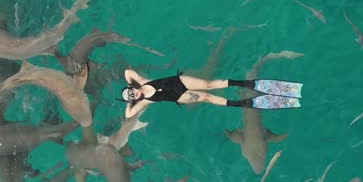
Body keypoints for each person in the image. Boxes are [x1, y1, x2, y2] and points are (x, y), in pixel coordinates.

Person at [120, 69, 302, 118]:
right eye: (130, 98)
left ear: (131, 88)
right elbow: (129, 114)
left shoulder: (141, 80)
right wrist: (132, 101)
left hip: (179, 81)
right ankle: (236, 103)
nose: (133, 96)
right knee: (207, 97)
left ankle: (244, 83)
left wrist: (131, 85)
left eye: (130, 93)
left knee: (209, 84)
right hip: (179, 97)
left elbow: (128, 72)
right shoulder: (145, 102)